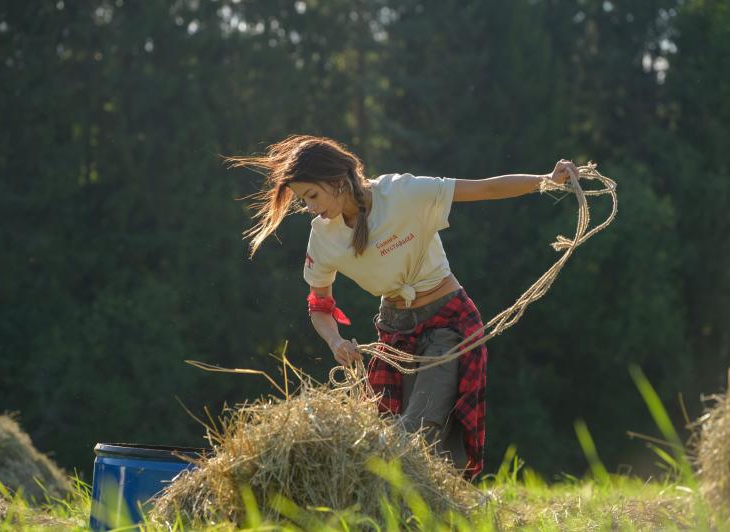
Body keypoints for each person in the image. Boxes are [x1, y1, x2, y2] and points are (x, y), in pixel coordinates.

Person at [226, 134, 576, 479]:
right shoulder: (322, 235)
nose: (311, 208)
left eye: (313, 195)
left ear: (336, 179)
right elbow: (319, 303)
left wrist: (547, 180)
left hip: (448, 321)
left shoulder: (402, 192)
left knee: (418, 426)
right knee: (389, 434)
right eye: (304, 201)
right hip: (394, 332)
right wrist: (335, 341)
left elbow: (484, 188)